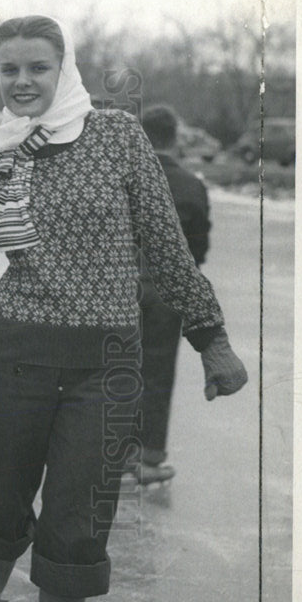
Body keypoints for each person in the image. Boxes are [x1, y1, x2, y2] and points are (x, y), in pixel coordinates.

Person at [0, 15, 247, 602]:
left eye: (36, 67)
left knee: (76, 528)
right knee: (1, 506)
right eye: (8, 68)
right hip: (14, 360)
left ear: (63, 68)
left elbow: (167, 248)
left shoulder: (116, 138)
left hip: (104, 369)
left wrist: (211, 338)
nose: (21, 81)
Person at [133, 104, 212, 484]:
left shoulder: (124, 178)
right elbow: (200, 250)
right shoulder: (191, 185)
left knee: (109, 367)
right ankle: (149, 457)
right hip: (168, 292)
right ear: (174, 137)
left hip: (121, 285)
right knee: (158, 371)